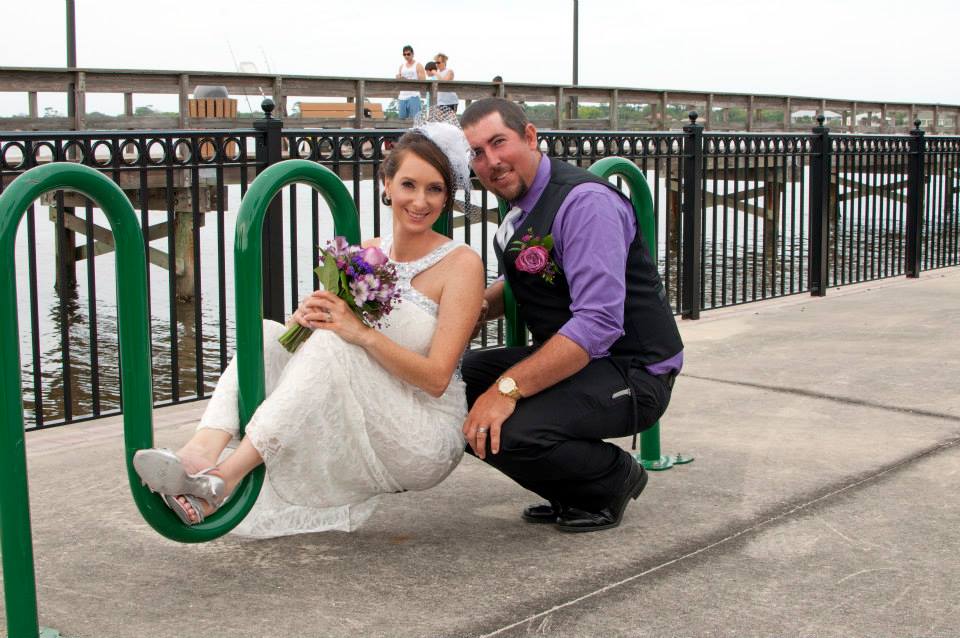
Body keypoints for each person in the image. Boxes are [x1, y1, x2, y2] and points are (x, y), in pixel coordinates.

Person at [133, 121, 484, 538]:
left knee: (338, 345)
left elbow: (437, 379)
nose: (420, 201)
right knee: (264, 333)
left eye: (435, 189)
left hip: (423, 435)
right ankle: (196, 457)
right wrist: (312, 317)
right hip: (366, 412)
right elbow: (330, 344)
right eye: (409, 184)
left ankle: (221, 482)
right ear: (386, 184)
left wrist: (359, 332)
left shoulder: (461, 264)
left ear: (447, 197)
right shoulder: (367, 252)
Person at [459, 98, 684, 533]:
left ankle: (610, 479)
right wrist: (470, 311)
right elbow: (541, 275)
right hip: (585, 364)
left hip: (633, 369)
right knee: (452, 388)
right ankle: (570, 487)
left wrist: (505, 390)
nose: (491, 161)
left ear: (529, 136)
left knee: (511, 425)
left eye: (498, 142)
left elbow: (597, 322)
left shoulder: (585, 204)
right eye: (477, 153)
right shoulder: (524, 204)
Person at [395, 45, 425, 119]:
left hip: (413, 95)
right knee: (401, 120)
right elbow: (398, 80)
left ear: (412, 54)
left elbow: (423, 79)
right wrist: (398, 77)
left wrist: (408, 79)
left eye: (408, 54)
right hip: (402, 96)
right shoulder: (402, 66)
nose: (406, 56)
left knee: (415, 120)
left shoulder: (418, 65)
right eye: (404, 54)